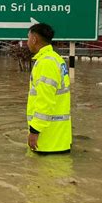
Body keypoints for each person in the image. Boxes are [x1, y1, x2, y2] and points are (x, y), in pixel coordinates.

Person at [26, 23, 71, 154]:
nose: (27, 42)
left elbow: (45, 100)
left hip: (48, 141)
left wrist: (34, 130)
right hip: (58, 138)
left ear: (34, 39)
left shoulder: (46, 63)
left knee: (41, 174)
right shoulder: (56, 59)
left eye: (28, 38)